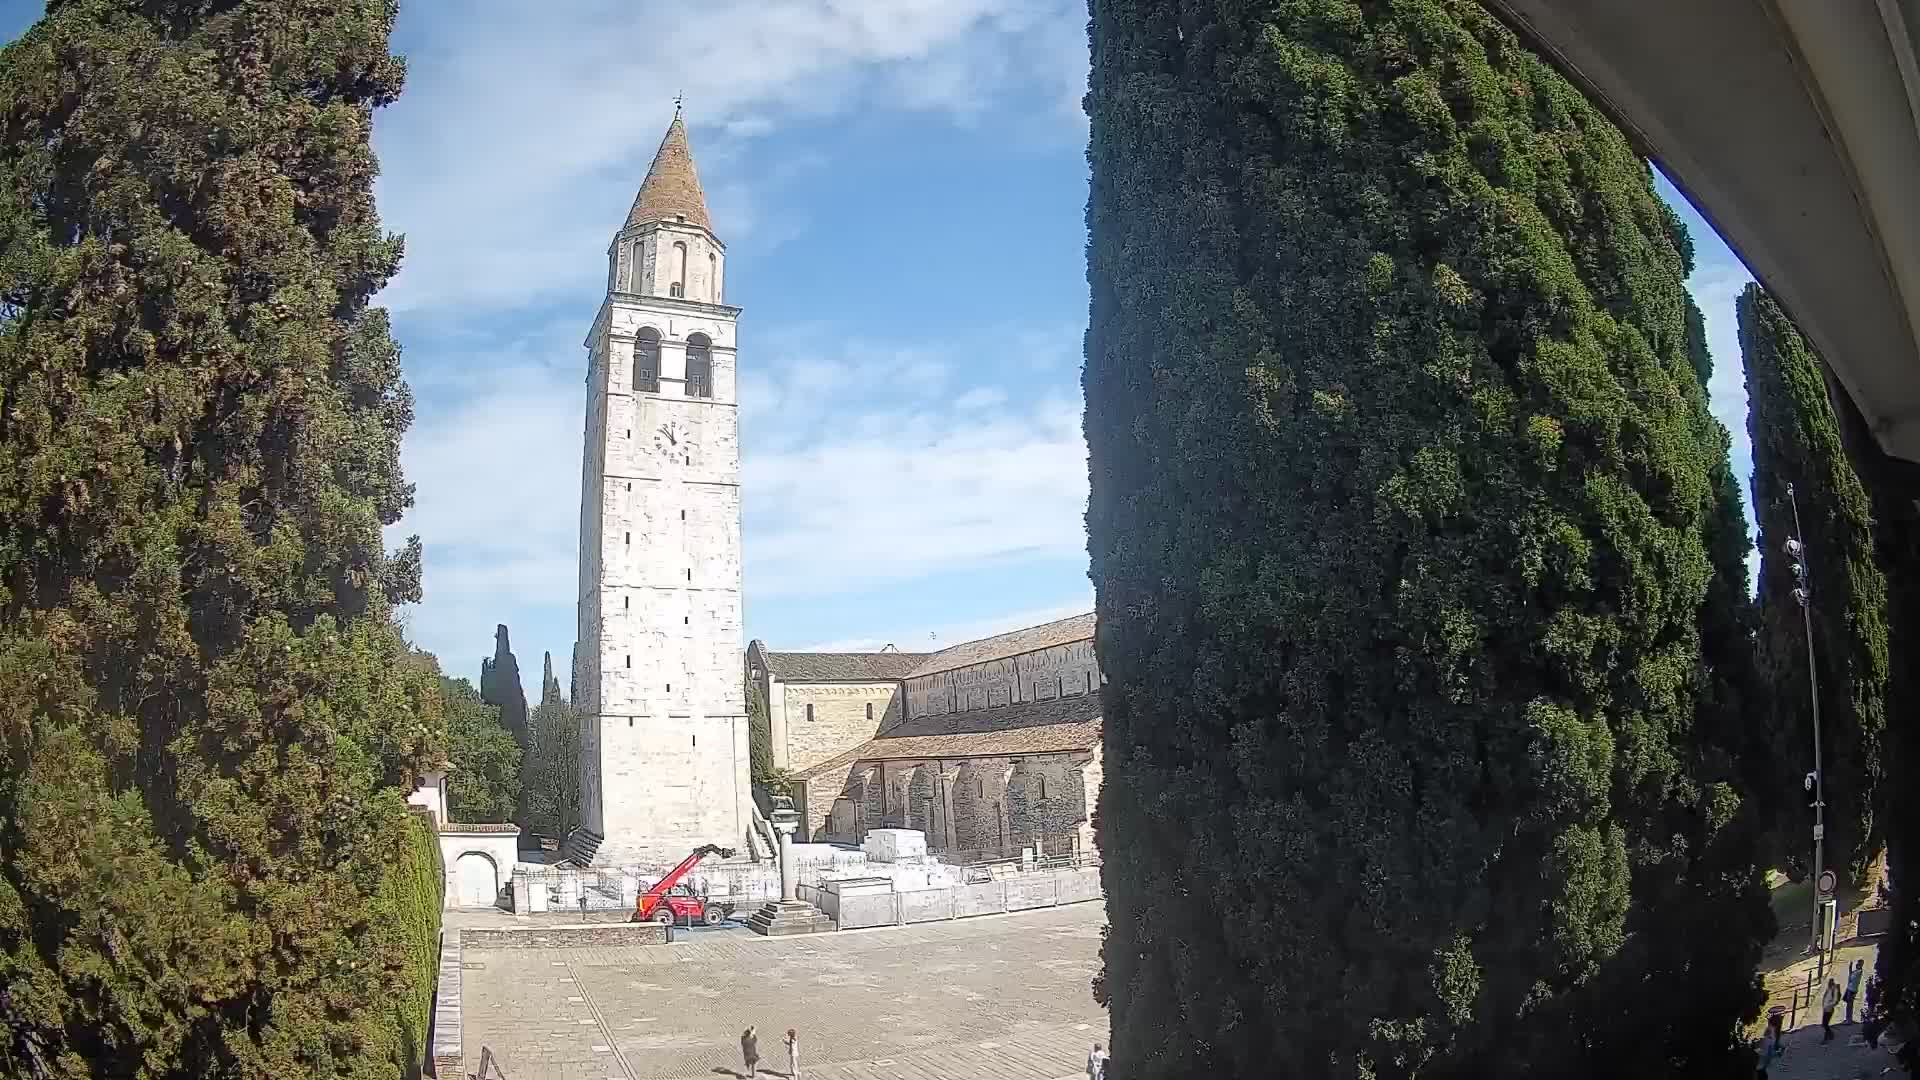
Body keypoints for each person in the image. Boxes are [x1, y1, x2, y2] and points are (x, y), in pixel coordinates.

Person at [1845, 958, 1865, 1024]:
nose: (1856, 964)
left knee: (1849, 1005)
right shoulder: (1856, 971)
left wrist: (1851, 970)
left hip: (1852, 990)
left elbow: (1851, 977)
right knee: (1849, 1004)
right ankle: (1848, 1018)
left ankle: (1849, 1020)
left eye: (1858, 963)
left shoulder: (1859, 972)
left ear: (1861, 965)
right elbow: (1850, 974)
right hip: (1850, 989)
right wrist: (1850, 967)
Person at [1823, 978, 1842, 1042]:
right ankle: (1828, 1035)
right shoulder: (1829, 989)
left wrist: (1828, 1006)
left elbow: (1835, 1001)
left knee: (1825, 1024)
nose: (1828, 984)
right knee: (1825, 1024)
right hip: (1826, 1008)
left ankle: (1829, 1035)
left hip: (1829, 1009)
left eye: (1829, 983)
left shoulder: (1834, 990)